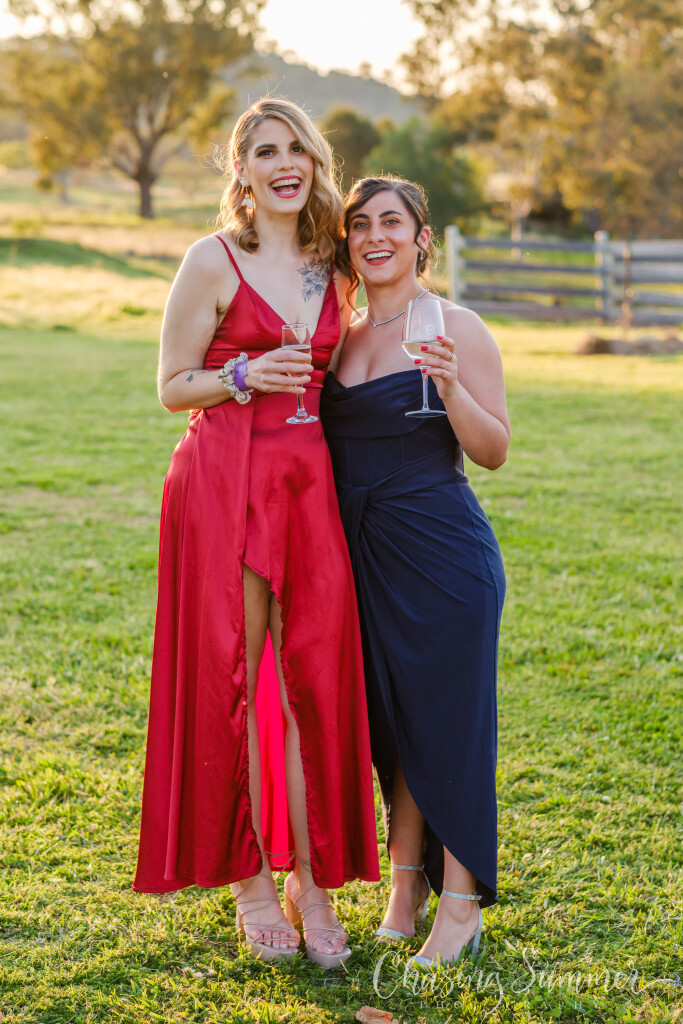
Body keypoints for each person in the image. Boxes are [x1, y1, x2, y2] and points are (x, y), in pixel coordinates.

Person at [133, 99, 380, 969]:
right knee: (231, 673)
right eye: (265, 152)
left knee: (312, 679)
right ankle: (248, 883)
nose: (284, 164)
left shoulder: (332, 263)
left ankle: (311, 883)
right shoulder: (211, 259)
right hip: (221, 481)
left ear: (314, 163)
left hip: (308, 487)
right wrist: (242, 373)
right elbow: (171, 386)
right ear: (239, 170)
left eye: (296, 150)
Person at [320, 176, 509, 969]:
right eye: (359, 224)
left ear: (421, 238)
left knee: (449, 728)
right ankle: (405, 891)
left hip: (443, 558)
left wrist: (450, 385)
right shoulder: (340, 337)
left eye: (390, 222)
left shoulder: (457, 326)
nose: (374, 236)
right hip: (361, 559)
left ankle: (459, 906)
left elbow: (492, 449)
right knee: (392, 728)